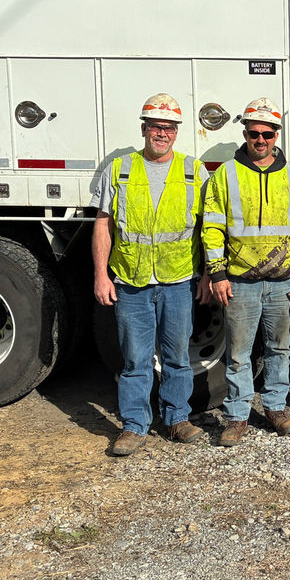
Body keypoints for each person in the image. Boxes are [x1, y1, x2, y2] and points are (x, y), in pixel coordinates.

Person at [92, 93, 207, 457]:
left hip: (178, 280)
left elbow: (209, 228)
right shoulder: (120, 169)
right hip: (132, 282)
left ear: (176, 132)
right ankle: (134, 426)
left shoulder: (194, 171)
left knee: (176, 357)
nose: (162, 133)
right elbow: (103, 224)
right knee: (135, 360)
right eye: (156, 126)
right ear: (144, 128)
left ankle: (177, 419)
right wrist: (101, 274)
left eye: (169, 127)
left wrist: (207, 274)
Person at [202, 98, 290, 447]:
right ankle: (237, 416)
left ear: (276, 134)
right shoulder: (226, 175)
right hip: (240, 283)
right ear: (245, 133)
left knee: (279, 350)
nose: (260, 139)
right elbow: (212, 229)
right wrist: (217, 274)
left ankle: (275, 408)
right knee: (238, 354)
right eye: (254, 133)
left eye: (267, 133)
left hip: (282, 282)